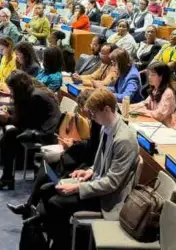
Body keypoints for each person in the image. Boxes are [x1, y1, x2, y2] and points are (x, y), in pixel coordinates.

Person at [44, 89, 138, 250]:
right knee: (48, 190)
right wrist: (89, 171)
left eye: (93, 114)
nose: (91, 118)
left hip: (108, 199)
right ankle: (57, 238)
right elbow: (101, 162)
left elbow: (112, 183)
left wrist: (78, 187)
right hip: (97, 183)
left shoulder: (124, 140)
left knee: (55, 203)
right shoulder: (105, 127)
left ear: (107, 109)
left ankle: (61, 244)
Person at [0, 72, 59, 191]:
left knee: (10, 135)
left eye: (11, 89)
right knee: (0, 122)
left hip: (45, 133)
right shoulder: (29, 94)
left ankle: (7, 177)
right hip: (36, 126)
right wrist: (8, 109)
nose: (10, 92)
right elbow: (24, 115)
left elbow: (25, 122)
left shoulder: (36, 97)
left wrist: (8, 118)